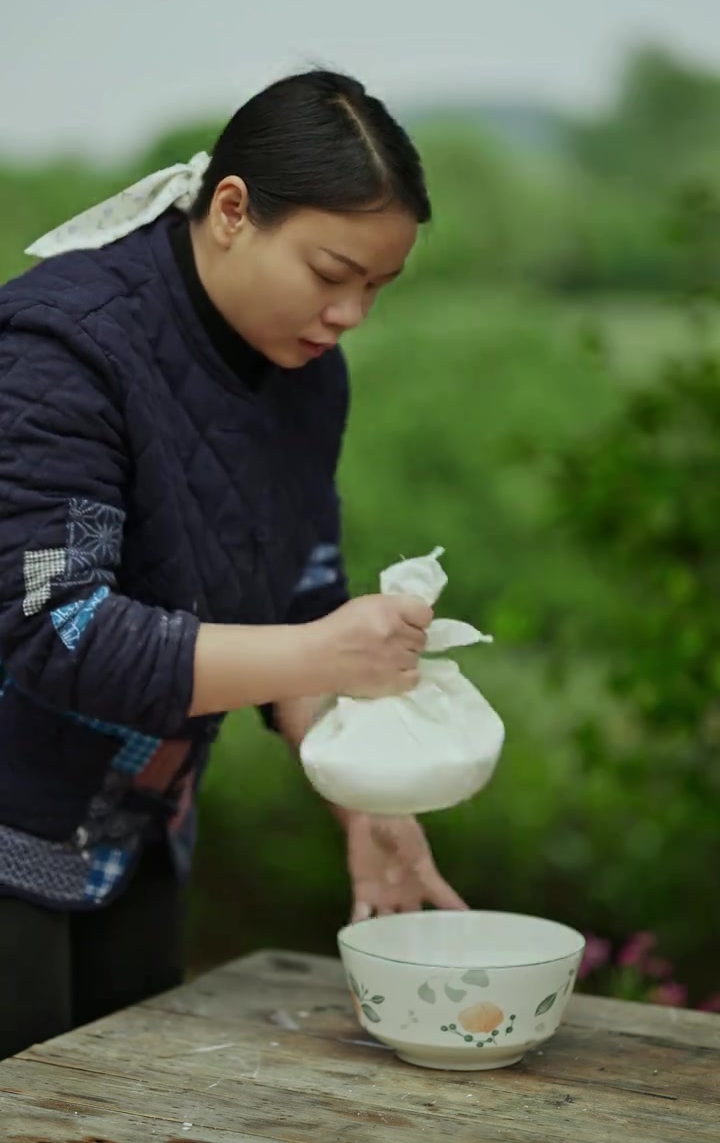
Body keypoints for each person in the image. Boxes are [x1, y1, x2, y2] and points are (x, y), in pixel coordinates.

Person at [0, 69, 467, 1060]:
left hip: (137, 826)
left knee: (127, 1097)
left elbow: (298, 590)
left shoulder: (305, 372)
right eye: (331, 271)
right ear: (231, 210)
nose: (350, 315)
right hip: (9, 818)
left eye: (376, 287)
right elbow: (58, 631)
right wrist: (326, 655)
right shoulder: (62, 349)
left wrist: (367, 798)